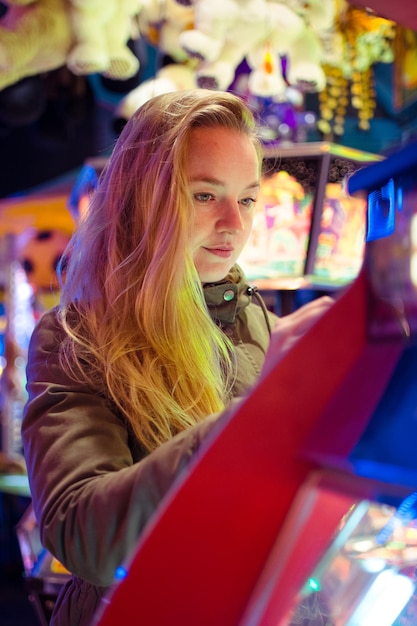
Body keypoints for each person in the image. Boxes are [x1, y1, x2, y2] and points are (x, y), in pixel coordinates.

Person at [22, 89, 333, 626]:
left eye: (249, 198)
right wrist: (254, 417)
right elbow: (84, 537)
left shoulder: (262, 323)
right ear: (143, 199)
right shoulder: (75, 337)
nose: (235, 223)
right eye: (206, 196)